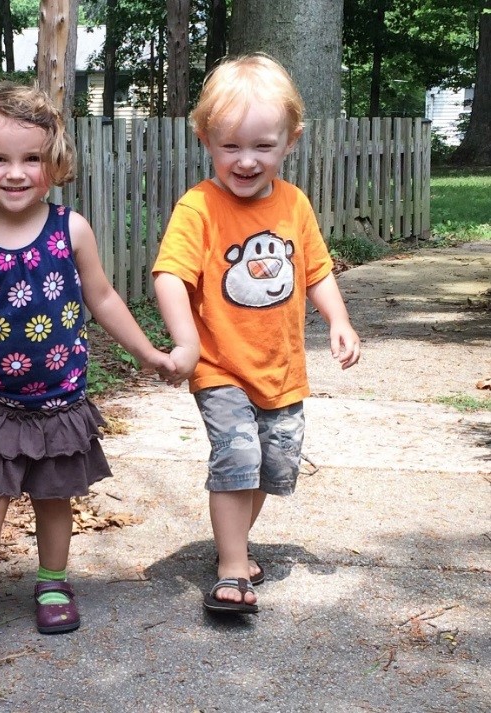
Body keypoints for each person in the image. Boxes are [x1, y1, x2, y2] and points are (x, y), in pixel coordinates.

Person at [0, 81, 175, 653]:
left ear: (54, 163)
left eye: (31, 159)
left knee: (52, 497)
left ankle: (51, 584)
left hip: (59, 401)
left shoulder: (71, 229)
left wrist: (147, 352)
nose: (15, 172)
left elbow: (104, 298)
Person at [152, 55, 361, 614]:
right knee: (237, 454)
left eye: (262, 147)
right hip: (219, 365)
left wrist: (338, 320)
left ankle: (236, 548)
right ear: (205, 138)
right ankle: (229, 570)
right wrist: (185, 341)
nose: (246, 162)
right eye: (231, 147)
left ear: (290, 141)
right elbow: (170, 274)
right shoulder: (199, 206)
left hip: (282, 368)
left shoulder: (294, 204)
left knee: (273, 465)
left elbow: (315, 270)